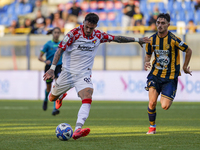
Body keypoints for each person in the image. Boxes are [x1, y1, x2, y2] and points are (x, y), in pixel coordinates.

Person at [43, 13, 151, 140]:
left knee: (88, 96)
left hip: (83, 74)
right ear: (83, 23)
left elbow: (117, 38)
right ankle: (60, 96)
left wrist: (137, 39)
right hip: (67, 73)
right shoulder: (73, 34)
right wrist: (52, 69)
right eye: (87, 27)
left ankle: (78, 129)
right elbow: (60, 50)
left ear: (95, 26)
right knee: (51, 97)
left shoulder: (98, 35)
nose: (89, 30)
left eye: (92, 28)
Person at [144, 13, 192, 134]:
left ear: (168, 25)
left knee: (165, 106)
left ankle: (166, 93)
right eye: (158, 23)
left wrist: (185, 67)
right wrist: (146, 62)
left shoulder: (174, 40)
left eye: (163, 23)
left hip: (170, 77)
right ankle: (152, 127)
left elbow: (188, 50)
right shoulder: (152, 39)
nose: (160, 25)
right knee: (152, 102)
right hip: (155, 74)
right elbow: (148, 54)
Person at [38, 27, 64, 116]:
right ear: (52, 33)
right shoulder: (48, 44)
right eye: (55, 32)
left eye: (58, 32)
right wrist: (45, 61)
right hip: (49, 68)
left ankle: (54, 108)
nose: (56, 34)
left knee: (56, 86)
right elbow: (39, 57)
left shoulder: (62, 44)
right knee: (49, 89)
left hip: (59, 67)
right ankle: (45, 99)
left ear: (60, 34)